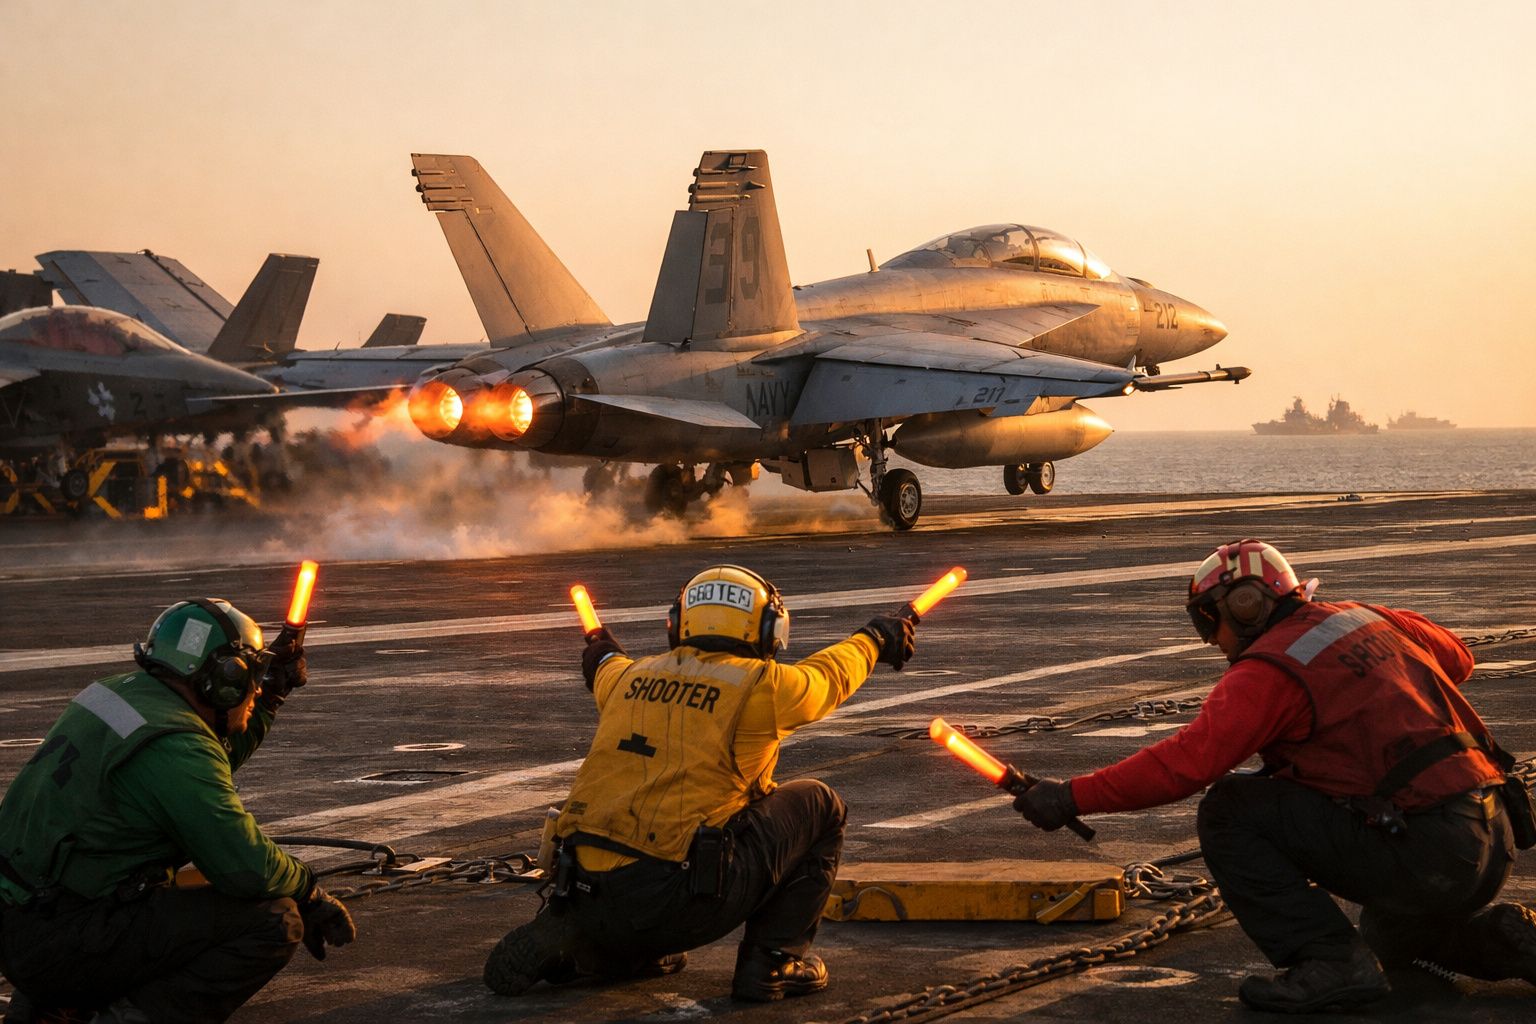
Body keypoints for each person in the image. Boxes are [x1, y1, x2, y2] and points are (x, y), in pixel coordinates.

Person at [1015, 539, 1536, 1013]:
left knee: (1230, 809)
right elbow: (1458, 658)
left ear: (1244, 606)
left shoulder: (1269, 670)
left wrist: (1070, 797)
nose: (1212, 641)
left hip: (1428, 849)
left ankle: (1328, 961)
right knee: (1386, 936)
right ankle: (1503, 939)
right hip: (1493, 838)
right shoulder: (1368, 617)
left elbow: (1185, 765)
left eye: (1209, 621)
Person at [484, 564, 918, 1002]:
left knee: (700, 810)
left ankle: (601, 947)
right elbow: (829, 676)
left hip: (579, 888)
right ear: (767, 628)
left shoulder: (629, 677)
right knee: (819, 806)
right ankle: (772, 961)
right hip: (671, 899)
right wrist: (877, 638)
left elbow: (603, 661)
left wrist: (600, 645)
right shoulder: (760, 685)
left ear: (678, 624)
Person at [0, 598, 355, 1023]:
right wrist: (308, 891)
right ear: (222, 681)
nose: (254, 687)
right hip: (57, 936)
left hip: (25, 918)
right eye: (250, 677)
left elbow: (200, 756)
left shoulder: (119, 695)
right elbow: (244, 865)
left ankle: (47, 1007)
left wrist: (270, 699)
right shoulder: (175, 746)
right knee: (273, 920)